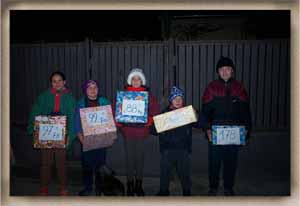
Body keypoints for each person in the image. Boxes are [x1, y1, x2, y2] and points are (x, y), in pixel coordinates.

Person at [201, 56, 252, 196]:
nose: (225, 72)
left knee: (231, 162)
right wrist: (207, 129)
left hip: (234, 132)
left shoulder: (239, 88)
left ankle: (228, 187)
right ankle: (213, 187)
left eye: (228, 69)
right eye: (222, 69)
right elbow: (205, 112)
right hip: (216, 131)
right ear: (218, 71)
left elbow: (246, 112)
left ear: (232, 71)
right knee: (214, 162)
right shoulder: (211, 88)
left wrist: (247, 130)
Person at [27, 71, 76, 195]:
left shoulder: (70, 98)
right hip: (45, 133)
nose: (57, 83)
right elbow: (35, 111)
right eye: (54, 81)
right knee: (45, 162)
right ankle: (43, 186)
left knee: (61, 163)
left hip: (62, 134)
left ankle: (63, 187)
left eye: (59, 80)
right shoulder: (44, 96)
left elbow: (73, 116)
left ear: (64, 82)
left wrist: (70, 134)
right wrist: (33, 128)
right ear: (51, 83)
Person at [115, 68, 159, 196]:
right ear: (130, 80)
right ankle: (130, 184)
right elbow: (117, 110)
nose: (135, 81)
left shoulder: (147, 95)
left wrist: (149, 120)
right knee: (129, 159)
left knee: (140, 159)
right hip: (128, 132)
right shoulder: (124, 94)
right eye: (133, 78)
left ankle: (139, 185)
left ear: (142, 81)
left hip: (142, 132)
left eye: (138, 78)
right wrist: (119, 121)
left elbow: (155, 110)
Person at [74, 80, 111, 196]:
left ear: (98, 89)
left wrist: (109, 137)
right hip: (86, 139)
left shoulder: (104, 102)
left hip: (101, 140)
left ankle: (100, 188)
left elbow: (109, 121)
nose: (92, 90)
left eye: (95, 87)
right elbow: (77, 123)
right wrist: (81, 138)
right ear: (85, 90)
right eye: (89, 88)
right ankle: (88, 187)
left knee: (100, 165)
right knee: (87, 166)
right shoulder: (80, 103)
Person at [156, 86, 192, 196]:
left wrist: (197, 116)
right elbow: (154, 129)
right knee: (165, 172)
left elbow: (200, 122)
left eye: (180, 99)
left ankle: (186, 191)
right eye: (175, 98)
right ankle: (163, 191)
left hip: (183, 149)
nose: (178, 101)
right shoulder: (165, 113)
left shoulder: (187, 113)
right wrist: (154, 124)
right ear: (171, 100)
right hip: (168, 149)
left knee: (184, 172)